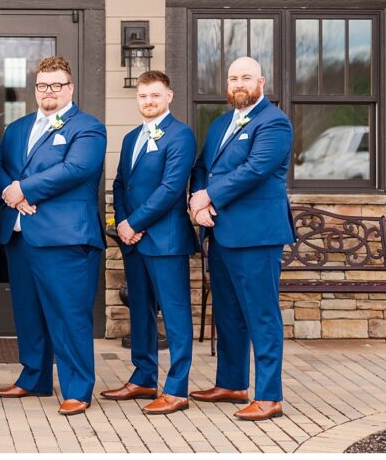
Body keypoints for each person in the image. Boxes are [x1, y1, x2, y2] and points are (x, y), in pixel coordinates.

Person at [0, 56, 106, 416]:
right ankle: (34, 378)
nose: (49, 91)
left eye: (56, 85)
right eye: (42, 85)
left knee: (69, 316)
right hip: (21, 236)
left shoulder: (88, 127)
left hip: (66, 238)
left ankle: (77, 388)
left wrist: (23, 190)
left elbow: (75, 169)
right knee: (28, 312)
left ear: (70, 88)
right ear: (35, 89)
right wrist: (9, 189)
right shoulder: (18, 128)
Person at [189, 56, 296, 421]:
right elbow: (204, 166)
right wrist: (199, 202)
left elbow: (254, 170)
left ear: (261, 82)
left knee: (261, 315)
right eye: (233, 78)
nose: (238, 84)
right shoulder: (220, 124)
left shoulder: (275, 123)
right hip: (220, 231)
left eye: (246, 78)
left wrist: (208, 196)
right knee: (229, 313)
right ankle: (232, 384)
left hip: (257, 235)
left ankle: (269, 396)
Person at [103, 70, 198, 415]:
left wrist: (135, 223)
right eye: (143, 96)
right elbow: (119, 184)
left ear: (168, 96)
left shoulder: (181, 135)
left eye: (155, 95)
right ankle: (143, 377)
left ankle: (177, 388)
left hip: (166, 240)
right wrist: (123, 224)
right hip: (134, 240)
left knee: (174, 314)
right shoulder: (130, 138)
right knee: (140, 312)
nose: (148, 101)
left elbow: (171, 190)